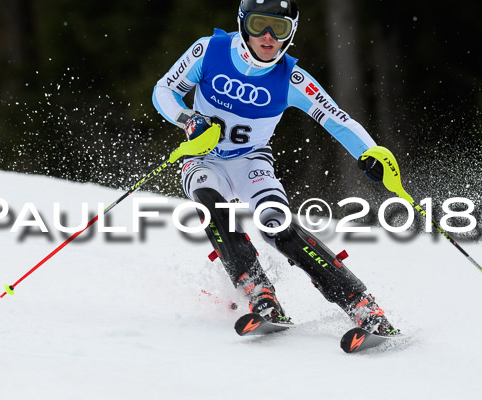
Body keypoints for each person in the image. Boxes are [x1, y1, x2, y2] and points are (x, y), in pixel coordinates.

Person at [152, 0, 398, 335]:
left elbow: (338, 121)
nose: (268, 37)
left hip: (251, 161)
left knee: (276, 224)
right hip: (204, 158)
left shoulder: (291, 78)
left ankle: (360, 304)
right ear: (243, 25)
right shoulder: (209, 50)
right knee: (210, 204)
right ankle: (258, 291)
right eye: (259, 26)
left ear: (290, 34)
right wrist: (188, 119)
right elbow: (164, 90)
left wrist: (370, 153)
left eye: (279, 29)